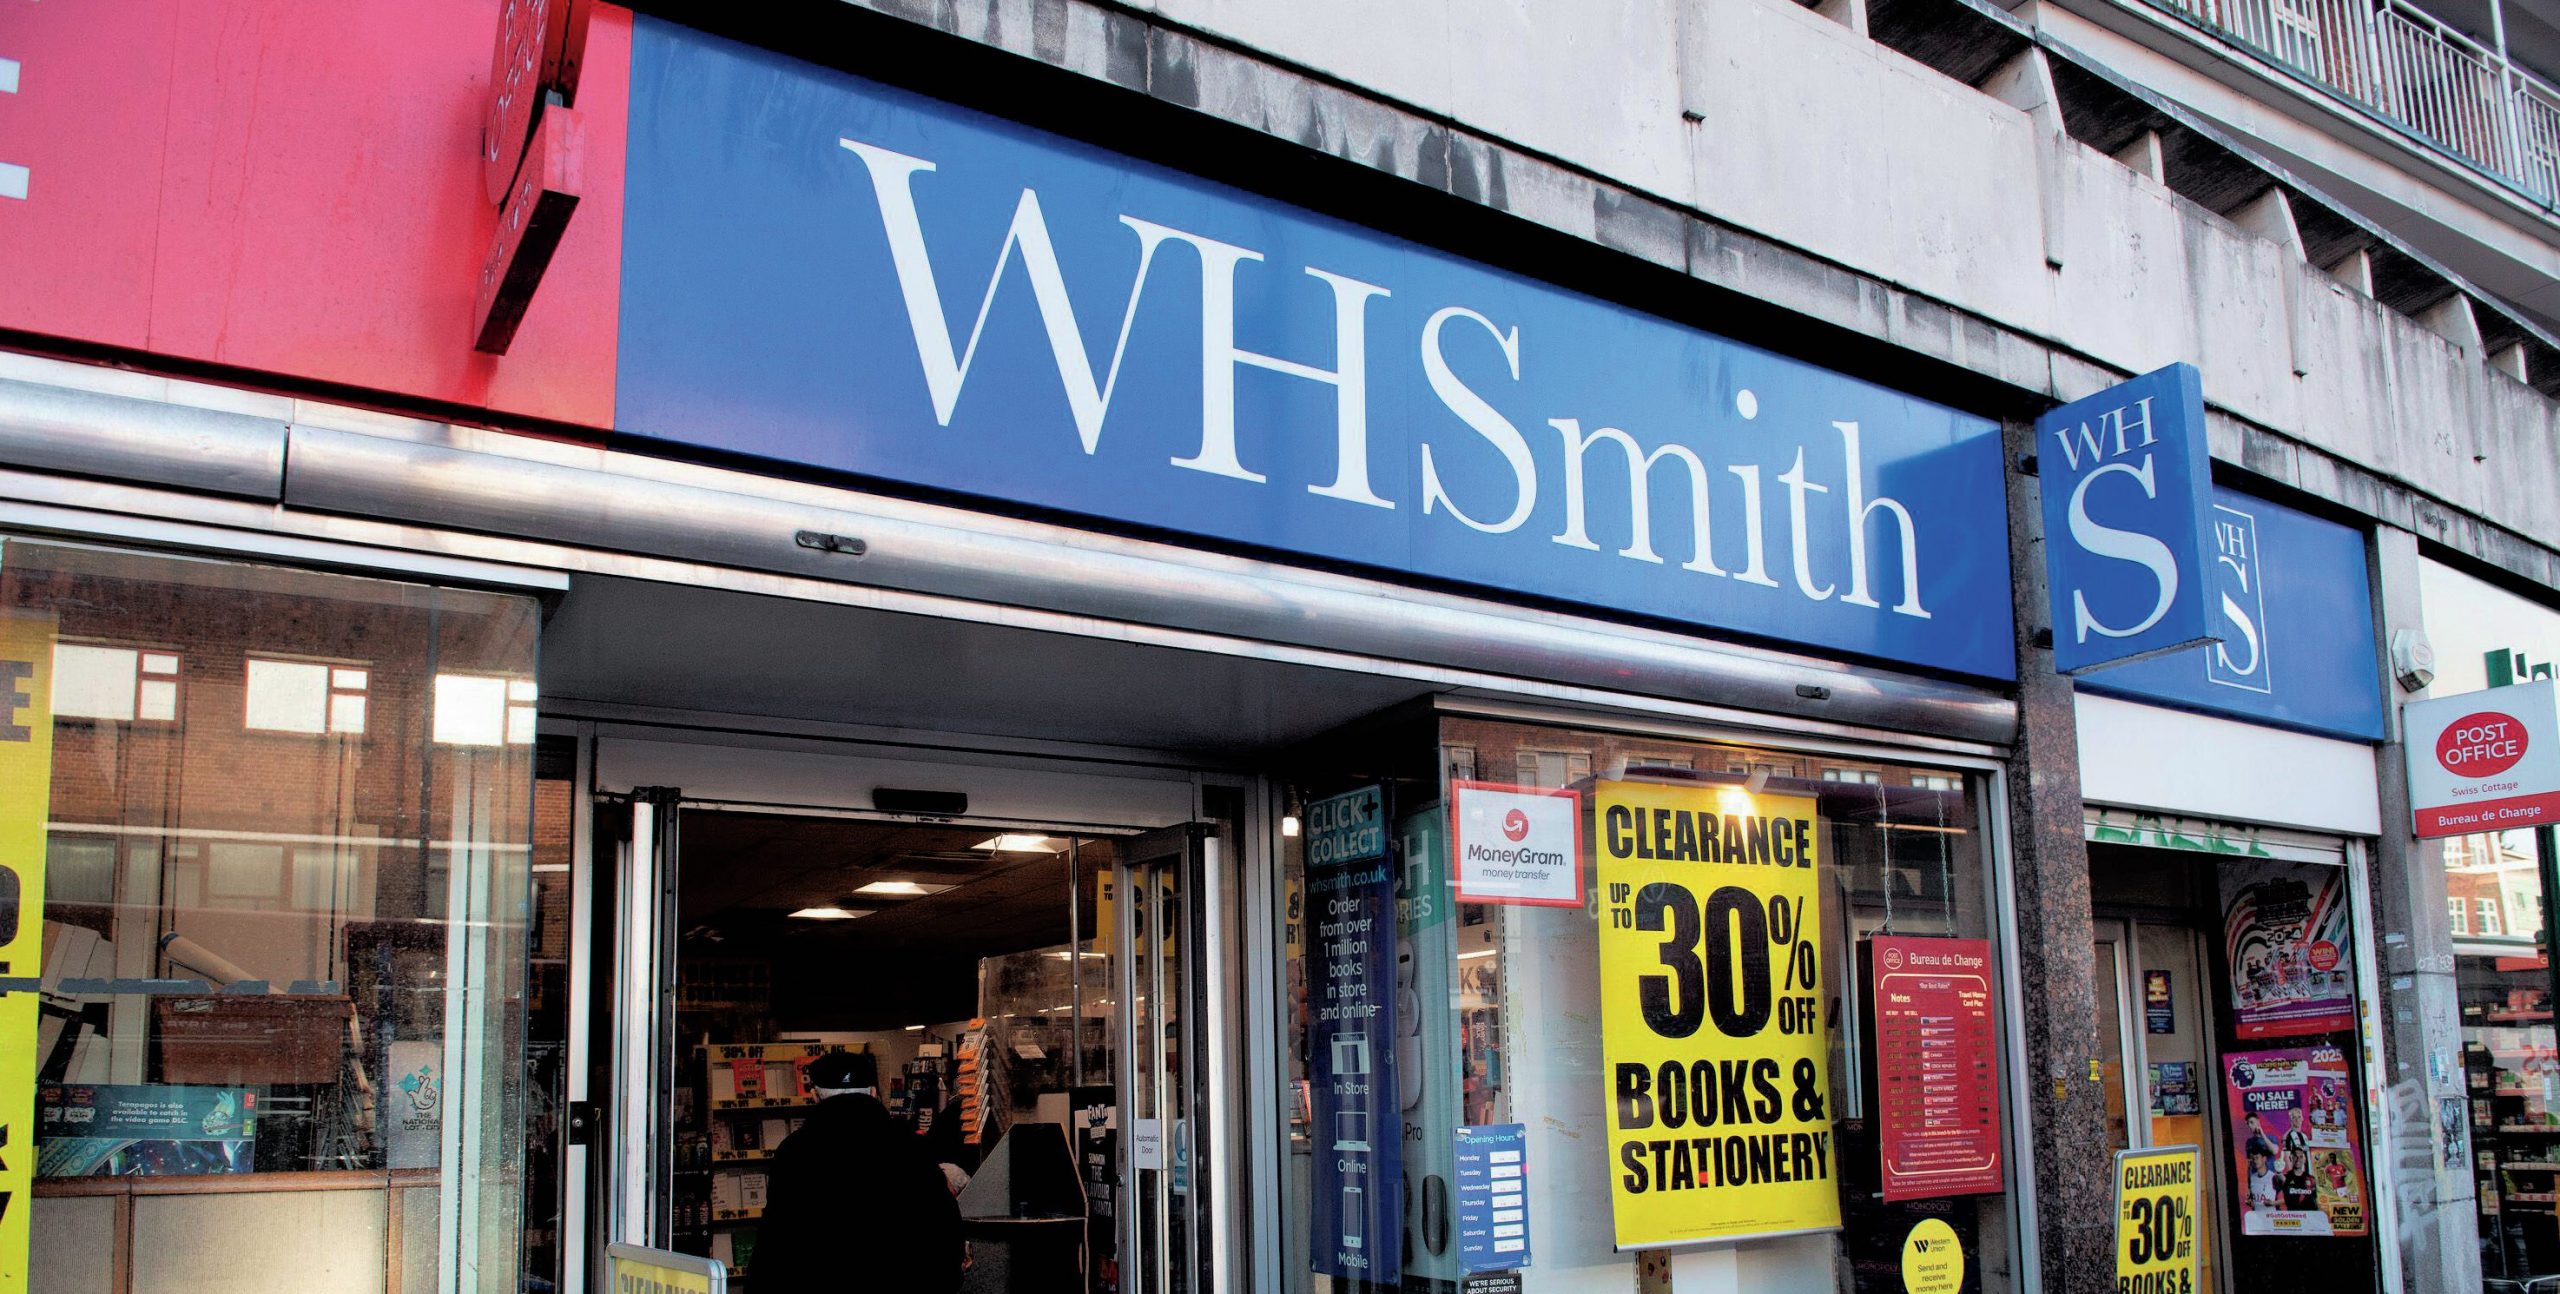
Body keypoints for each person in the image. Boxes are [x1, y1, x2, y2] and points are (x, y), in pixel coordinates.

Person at [751, 1051, 964, 1294]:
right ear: (873, 1092)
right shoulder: (910, 1146)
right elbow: (943, 1226)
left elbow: (775, 1240)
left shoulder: (794, 1152)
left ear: (815, 1096)